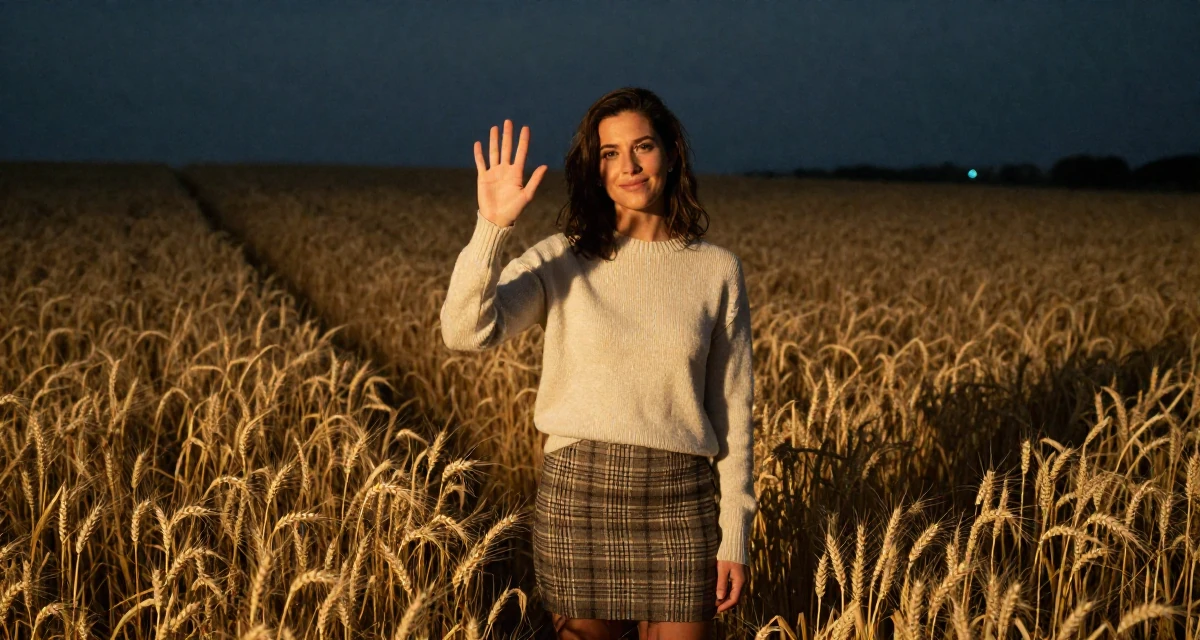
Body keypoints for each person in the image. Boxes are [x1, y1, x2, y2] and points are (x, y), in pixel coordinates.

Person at [440, 87, 756, 640]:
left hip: (681, 501)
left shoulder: (716, 272)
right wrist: (491, 227)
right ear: (594, 166)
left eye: (643, 147)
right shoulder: (562, 257)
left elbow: (732, 410)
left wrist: (735, 531)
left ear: (672, 152)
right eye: (610, 153)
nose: (628, 166)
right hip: (578, 499)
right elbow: (466, 333)